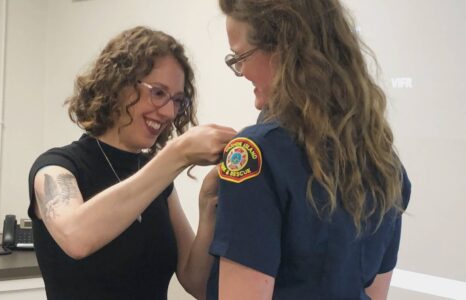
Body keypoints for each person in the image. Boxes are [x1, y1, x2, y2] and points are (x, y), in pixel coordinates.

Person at [207, 0, 412, 299]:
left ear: (283, 50)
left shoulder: (253, 154)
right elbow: (374, 293)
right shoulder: (384, 163)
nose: (241, 72)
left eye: (241, 57)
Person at [27, 26, 236, 300]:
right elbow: (76, 237)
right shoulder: (56, 168)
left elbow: (195, 281)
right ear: (118, 85)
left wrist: (207, 207)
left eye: (177, 100)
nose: (169, 112)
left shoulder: (158, 182)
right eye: (158, 93)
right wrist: (177, 154)